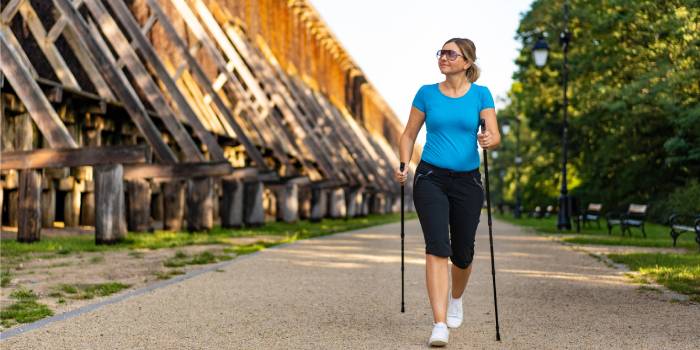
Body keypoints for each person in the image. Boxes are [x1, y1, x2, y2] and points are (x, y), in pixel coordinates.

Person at [395, 37, 500, 347]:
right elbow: (408, 134)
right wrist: (403, 164)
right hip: (430, 177)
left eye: (451, 53)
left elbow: (494, 135)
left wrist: (489, 140)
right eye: (441, 52)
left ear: (466, 62)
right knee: (437, 247)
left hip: (468, 181)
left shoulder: (481, 95)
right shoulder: (426, 93)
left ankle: (456, 298)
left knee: (463, 253)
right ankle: (439, 323)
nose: (443, 57)